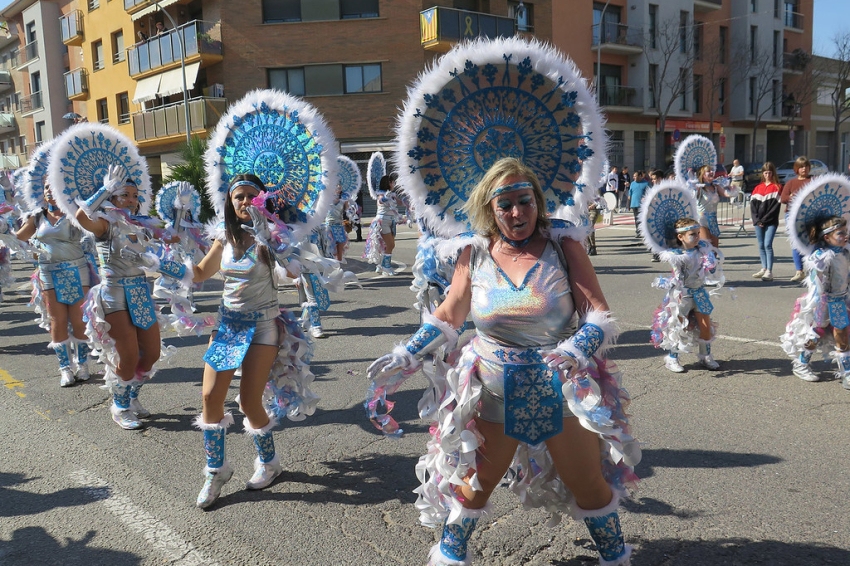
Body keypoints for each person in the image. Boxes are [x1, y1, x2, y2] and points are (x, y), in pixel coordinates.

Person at [367, 158, 639, 566]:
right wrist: (408, 351)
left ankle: (616, 558)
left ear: (538, 201)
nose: (517, 213)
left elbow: (599, 314)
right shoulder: (473, 253)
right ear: (489, 209)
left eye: (525, 201)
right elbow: (448, 316)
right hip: (493, 387)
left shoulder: (563, 246)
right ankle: (449, 557)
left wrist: (576, 349)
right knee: (475, 485)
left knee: (590, 488)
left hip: (559, 387)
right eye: (505, 204)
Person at [192, 174, 318, 509]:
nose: (246, 202)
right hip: (228, 325)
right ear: (230, 203)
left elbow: (293, 272)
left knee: (249, 403)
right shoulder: (224, 236)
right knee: (209, 397)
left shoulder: (273, 236)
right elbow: (200, 273)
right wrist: (162, 261)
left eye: (252, 196)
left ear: (264, 199)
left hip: (264, 326)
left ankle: (269, 463)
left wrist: (271, 238)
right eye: (239, 197)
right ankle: (216, 470)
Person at [75, 168, 170, 430]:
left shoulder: (141, 226)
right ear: (113, 199)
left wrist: (181, 214)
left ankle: (131, 396)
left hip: (141, 292)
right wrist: (104, 189)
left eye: (134, 195)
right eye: (124, 194)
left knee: (149, 354)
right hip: (114, 295)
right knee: (127, 356)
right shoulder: (105, 224)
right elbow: (82, 217)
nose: (130, 200)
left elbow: (172, 239)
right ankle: (120, 406)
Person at [15, 183, 94, 387]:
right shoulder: (37, 217)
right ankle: (65, 368)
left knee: (79, 319)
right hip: (49, 273)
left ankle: (82, 364)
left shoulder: (75, 215)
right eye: (46, 187)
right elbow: (18, 239)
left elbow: (95, 224)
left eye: (54, 186)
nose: (49, 190)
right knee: (57, 320)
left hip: (77, 271)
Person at [782, 216, 850, 384]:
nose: (846, 236)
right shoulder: (821, 256)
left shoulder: (845, 252)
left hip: (841, 301)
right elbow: (816, 282)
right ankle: (801, 363)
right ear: (827, 237)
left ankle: (846, 373)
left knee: (842, 335)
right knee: (816, 334)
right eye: (841, 233)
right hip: (824, 302)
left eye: (846, 232)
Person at [650, 217, 724, 372]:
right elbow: (677, 277)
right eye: (693, 234)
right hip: (682, 295)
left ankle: (705, 356)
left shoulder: (702, 250)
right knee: (678, 327)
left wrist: (711, 263)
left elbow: (710, 271)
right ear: (680, 237)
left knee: (705, 326)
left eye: (698, 233)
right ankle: (672, 358)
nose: (698, 237)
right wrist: (667, 282)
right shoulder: (676, 255)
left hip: (699, 292)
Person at [779, 156, 813, 282]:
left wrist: (795, 196)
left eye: (806, 166)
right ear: (797, 169)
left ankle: (812, 269)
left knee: (811, 242)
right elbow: (783, 198)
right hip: (792, 215)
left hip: (810, 215)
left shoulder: (813, 180)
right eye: (801, 167)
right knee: (795, 243)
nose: (804, 169)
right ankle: (799, 271)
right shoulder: (791, 183)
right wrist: (795, 197)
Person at [749, 162, 782, 282]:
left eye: (769, 172)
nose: (767, 175)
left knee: (768, 245)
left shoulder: (777, 187)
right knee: (761, 245)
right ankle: (763, 268)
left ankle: (769, 271)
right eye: (765, 173)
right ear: (762, 174)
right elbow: (752, 206)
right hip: (758, 222)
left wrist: (764, 220)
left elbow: (774, 208)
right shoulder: (757, 188)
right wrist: (757, 220)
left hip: (771, 221)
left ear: (773, 173)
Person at [364, 172, 401, 275]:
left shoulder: (392, 194)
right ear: (388, 183)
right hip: (382, 221)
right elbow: (381, 200)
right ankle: (386, 266)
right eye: (393, 182)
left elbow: (400, 202)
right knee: (391, 244)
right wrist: (386, 197)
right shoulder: (381, 194)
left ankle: (381, 265)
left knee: (386, 245)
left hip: (391, 221)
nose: (394, 184)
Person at [694, 164, 734, 248]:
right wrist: (695, 187)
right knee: (706, 247)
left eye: (712, 170)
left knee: (715, 249)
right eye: (708, 171)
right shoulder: (699, 188)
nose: (712, 172)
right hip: (702, 220)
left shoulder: (716, 186)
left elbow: (726, 194)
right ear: (703, 175)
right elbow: (693, 197)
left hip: (713, 220)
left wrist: (732, 189)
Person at [628, 171, 649, 237]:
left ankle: (643, 231)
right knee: (636, 218)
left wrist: (645, 198)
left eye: (635, 176)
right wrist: (628, 204)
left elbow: (649, 193)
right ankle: (638, 231)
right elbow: (630, 194)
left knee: (642, 219)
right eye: (633, 176)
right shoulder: (632, 184)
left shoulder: (646, 183)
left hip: (642, 205)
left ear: (640, 176)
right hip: (634, 204)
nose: (634, 177)